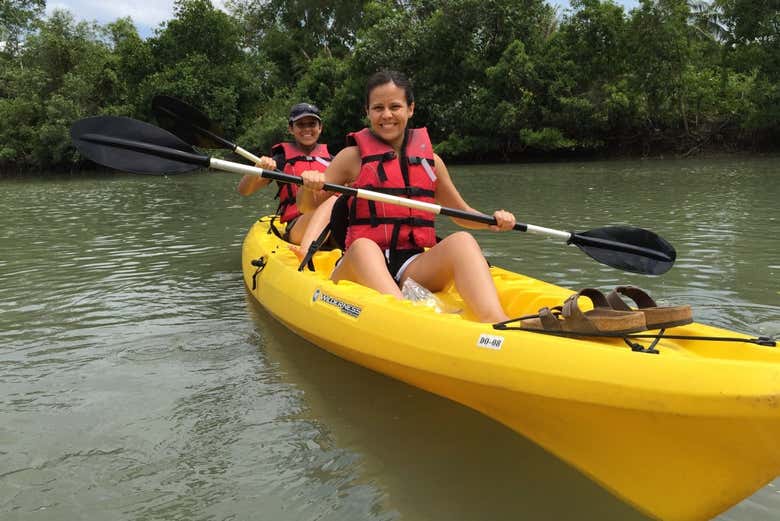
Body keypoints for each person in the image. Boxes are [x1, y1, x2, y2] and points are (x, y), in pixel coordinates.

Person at [296, 70, 516, 323]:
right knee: (364, 247)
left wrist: (494, 221)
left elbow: (461, 213)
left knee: (462, 241)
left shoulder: (431, 162)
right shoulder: (351, 157)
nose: (386, 115)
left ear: (410, 109)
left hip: (409, 264)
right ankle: (410, 321)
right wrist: (309, 185)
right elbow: (306, 207)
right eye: (378, 107)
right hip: (357, 264)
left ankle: (496, 321)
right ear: (367, 112)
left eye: (395, 106)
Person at [237, 102, 333, 244]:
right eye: (300, 124)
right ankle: (306, 250)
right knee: (330, 203)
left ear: (320, 128)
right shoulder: (282, 160)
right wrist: (257, 168)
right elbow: (244, 190)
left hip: (333, 223)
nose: (307, 129)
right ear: (291, 128)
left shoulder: (333, 160)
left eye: (312, 124)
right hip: (298, 226)